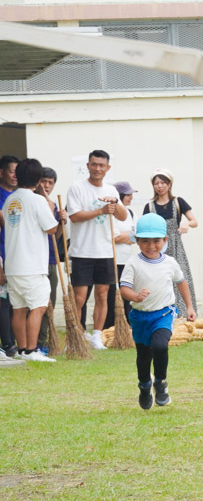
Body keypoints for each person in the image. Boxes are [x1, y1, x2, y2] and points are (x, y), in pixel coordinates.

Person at [120, 213, 196, 410]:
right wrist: (135, 296)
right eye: (145, 241)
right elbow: (124, 289)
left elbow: (181, 282)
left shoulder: (169, 262)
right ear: (137, 241)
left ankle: (160, 382)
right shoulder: (133, 263)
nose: (151, 246)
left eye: (156, 241)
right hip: (140, 316)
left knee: (160, 346)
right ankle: (145, 386)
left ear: (165, 240)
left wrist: (189, 306)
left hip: (163, 313)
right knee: (143, 356)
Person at [66, 149, 128, 350]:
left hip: (106, 251)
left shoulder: (111, 190)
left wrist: (114, 204)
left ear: (107, 168)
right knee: (79, 298)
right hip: (82, 251)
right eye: (94, 164)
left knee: (102, 296)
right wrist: (101, 210)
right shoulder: (76, 188)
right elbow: (74, 216)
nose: (97, 168)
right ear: (88, 166)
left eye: (102, 165)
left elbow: (122, 216)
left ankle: (96, 336)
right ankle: (74, 336)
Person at [0, 158, 58, 361]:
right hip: (32, 264)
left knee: (19, 308)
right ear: (38, 179)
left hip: (13, 264)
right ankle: (32, 350)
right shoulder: (37, 200)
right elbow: (52, 227)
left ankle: (22, 349)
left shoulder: (10, 200)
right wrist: (49, 206)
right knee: (38, 306)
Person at [144, 170, 197, 319]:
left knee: (180, 276)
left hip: (176, 244)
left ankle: (185, 312)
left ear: (169, 184)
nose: (159, 186)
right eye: (156, 183)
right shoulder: (149, 206)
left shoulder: (178, 202)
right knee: (158, 277)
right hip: (156, 247)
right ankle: (161, 314)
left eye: (162, 183)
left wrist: (186, 224)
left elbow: (195, 221)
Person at [35, 167, 62, 353]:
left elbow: (56, 235)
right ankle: (33, 343)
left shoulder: (53, 205)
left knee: (49, 302)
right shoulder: (34, 203)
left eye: (50, 183)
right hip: (36, 260)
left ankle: (43, 342)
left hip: (52, 259)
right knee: (35, 303)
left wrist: (61, 221)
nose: (46, 185)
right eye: (43, 181)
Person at [110, 181, 137, 324]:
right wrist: (127, 236)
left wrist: (124, 236)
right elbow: (113, 237)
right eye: (128, 194)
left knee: (127, 292)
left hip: (127, 260)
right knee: (112, 295)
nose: (131, 197)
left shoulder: (131, 213)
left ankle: (127, 323)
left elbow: (136, 236)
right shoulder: (112, 213)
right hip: (114, 260)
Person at [0, 154, 18, 357]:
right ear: (1, 172)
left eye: (17, 172)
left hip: (14, 256)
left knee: (14, 301)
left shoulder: (16, 196)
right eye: (12, 171)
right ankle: (7, 344)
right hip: (3, 254)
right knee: (3, 300)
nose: (15, 176)